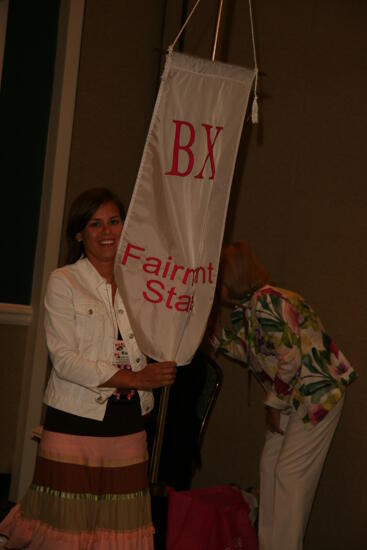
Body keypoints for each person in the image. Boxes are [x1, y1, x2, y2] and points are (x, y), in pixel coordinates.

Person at [0, 187, 176, 549]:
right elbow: (64, 360)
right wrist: (137, 379)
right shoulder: (64, 281)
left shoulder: (143, 284)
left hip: (129, 423)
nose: (107, 231)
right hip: (73, 422)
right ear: (79, 233)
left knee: (120, 533)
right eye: (95, 224)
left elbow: (159, 340)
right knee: (65, 532)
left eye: (114, 221)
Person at [211, 241, 356, 550]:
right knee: (270, 467)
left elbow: (289, 358)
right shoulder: (251, 308)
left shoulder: (267, 303)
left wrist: (273, 405)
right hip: (294, 396)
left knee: (290, 475)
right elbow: (251, 353)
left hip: (316, 395)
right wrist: (211, 336)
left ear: (230, 277)